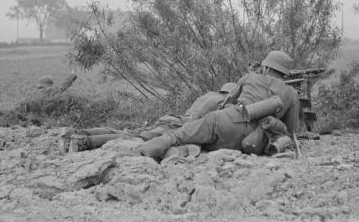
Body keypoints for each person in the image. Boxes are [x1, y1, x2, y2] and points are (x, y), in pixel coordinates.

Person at [137, 51, 299, 160]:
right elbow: (291, 129)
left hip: (224, 121)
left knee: (179, 135)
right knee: (209, 143)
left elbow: (226, 102)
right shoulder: (291, 93)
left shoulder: (250, 77)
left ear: (265, 67)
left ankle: (153, 147)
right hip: (251, 140)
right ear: (284, 73)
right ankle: (188, 148)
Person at [65, 82, 237, 152]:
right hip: (177, 126)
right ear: (231, 92)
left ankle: (80, 132)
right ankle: (83, 142)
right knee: (134, 137)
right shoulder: (222, 100)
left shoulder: (207, 94)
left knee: (128, 132)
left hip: (172, 118)